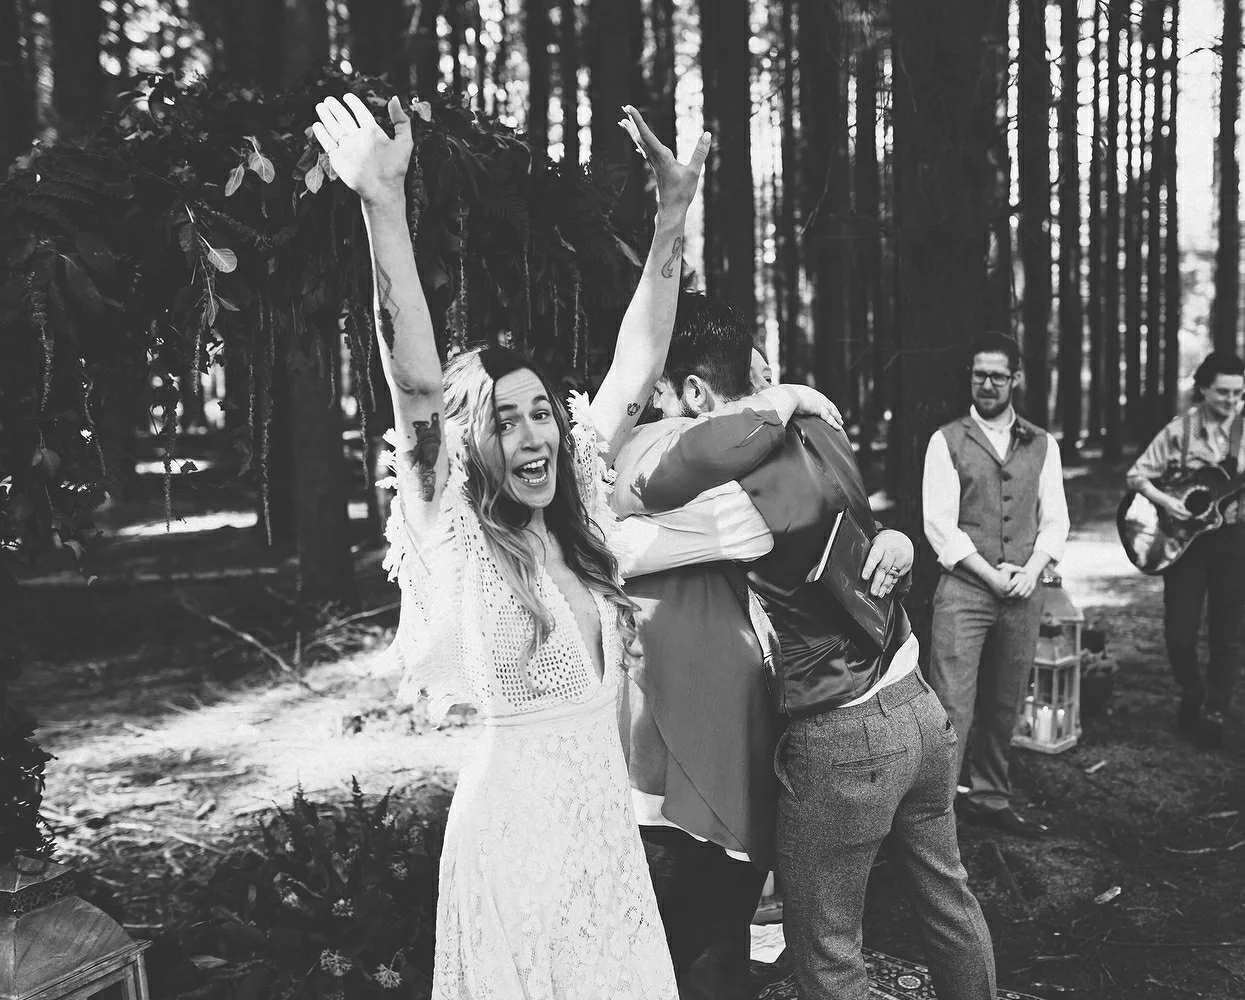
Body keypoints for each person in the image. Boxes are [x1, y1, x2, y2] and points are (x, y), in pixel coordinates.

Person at [311, 93, 707, 996]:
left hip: (602, 829)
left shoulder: (584, 517)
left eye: (542, 415)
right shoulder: (455, 528)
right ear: (471, 442)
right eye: (508, 421)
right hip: (514, 838)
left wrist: (672, 219)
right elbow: (414, 379)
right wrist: (382, 203)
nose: (535, 438)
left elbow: (638, 363)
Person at [615, 299, 996, 1000]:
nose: (657, 421)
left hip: (844, 736)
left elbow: (624, 533)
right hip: (919, 705)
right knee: (950, 905)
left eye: (661, 403)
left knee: (826, 953)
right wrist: (791, 396)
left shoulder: (733, 497)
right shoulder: (822, 427)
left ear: (694, 393)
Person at [606, 302, 844, 1000]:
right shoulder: (698, 459)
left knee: (708, 939)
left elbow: (618, 543)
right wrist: (790, 399)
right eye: (753, 388)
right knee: (687, 944)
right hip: (679, 746)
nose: (760, 412)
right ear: (699, 394)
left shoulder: (654, 454)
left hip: (709, 734)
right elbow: (635, 535)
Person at [1126, 352, 1245, 747]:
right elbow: (1137, 474)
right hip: (1184, 543)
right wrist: (1166, 501)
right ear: (1203, 389)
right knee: (1179, 633)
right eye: (1223, 392)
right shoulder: (1179, 431)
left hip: (1236, 541)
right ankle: (1192, 689)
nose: (1231, 400)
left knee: (1226, 634)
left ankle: (1216, 708)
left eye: (1239, 393)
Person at [922, 334, 1069, 838]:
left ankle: (989, 796)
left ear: (1016, 379)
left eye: (998, 376)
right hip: (965, 592)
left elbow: (1056, 521)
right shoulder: (946, 440)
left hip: (1024, 591)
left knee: (1005, 701)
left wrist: (1032, 572)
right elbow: (939, 525)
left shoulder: (1042, 444)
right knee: (952, 704)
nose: (987, 384)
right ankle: (934, 816)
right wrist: (990, 575)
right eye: (979, 374)